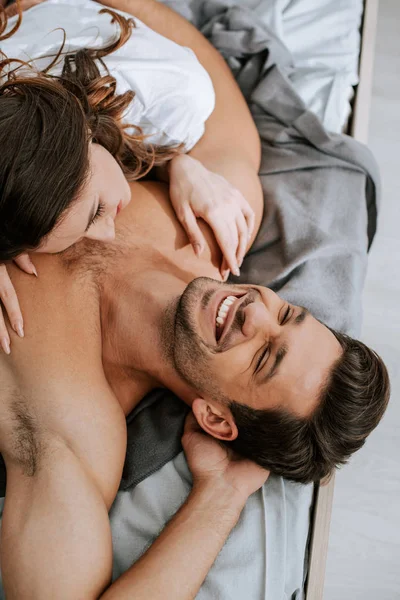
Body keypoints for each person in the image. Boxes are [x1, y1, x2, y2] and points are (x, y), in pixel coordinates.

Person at [0, 1, 390, 598]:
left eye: (263, 357)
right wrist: (183, 159)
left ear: (214, 416)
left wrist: (222, 493)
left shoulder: (71, 425)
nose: (254, 314)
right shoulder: (219, 217)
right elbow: (198, 79)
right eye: (286, 313)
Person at [0, 0, 255, 353]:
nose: (107, 233)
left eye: (97, 211)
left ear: (85, 133)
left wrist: (180, 159)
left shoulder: (175, 97)